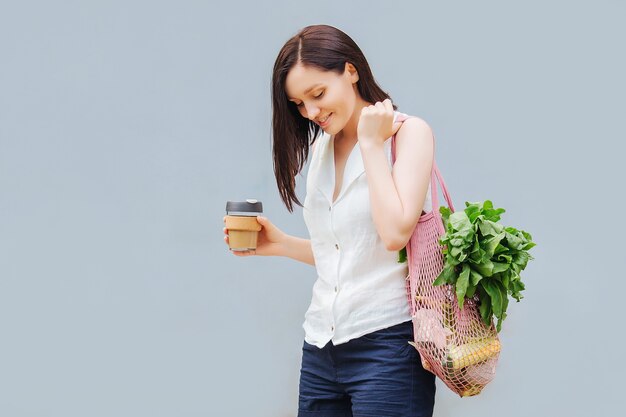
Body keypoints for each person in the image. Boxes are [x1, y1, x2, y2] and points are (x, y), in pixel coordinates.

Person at [223, 24, 436, 417]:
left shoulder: (409, 134)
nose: (311, 112)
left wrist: (372, 145)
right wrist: (282, 244)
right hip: (321, 345)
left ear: (350, 71)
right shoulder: (322, 149)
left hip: (388, 345)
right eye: (299, 104)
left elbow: (393, 234)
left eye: (318, 94)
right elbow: (347, 255)